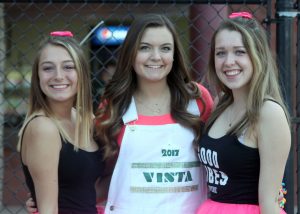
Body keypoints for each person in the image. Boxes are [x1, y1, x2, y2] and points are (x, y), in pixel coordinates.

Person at [94, 14, 214, 214]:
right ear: (131, 53)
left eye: (165, 48)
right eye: (145, 47)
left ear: (175, 54)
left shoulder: (197, 99)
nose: (156, 57)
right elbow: (94, 172)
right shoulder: (114, 104)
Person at [196, 12, 291, 214]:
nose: (228, 61)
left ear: (258, 55)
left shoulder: (268, 112)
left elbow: (270, 203)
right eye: (221, 53)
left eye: (240, 52)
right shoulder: (220, 103)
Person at [18, 31, 105, 214]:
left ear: (81, 73)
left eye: (68, 67)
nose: (58, 76)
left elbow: (85, 190)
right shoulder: (43, 127)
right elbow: (48, 209)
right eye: (48, 68)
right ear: (38, 76)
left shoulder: (86, 120)